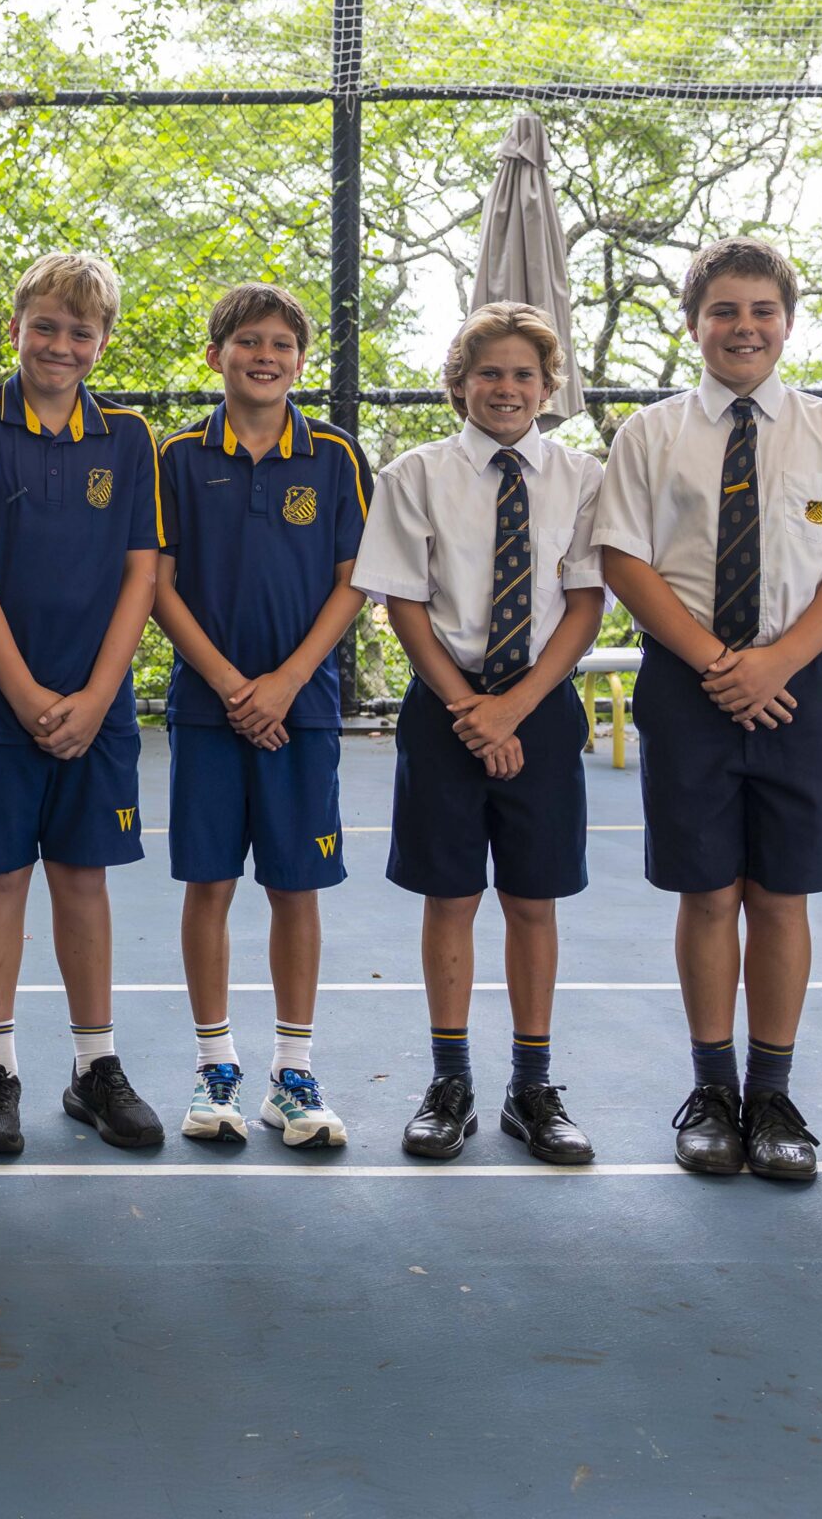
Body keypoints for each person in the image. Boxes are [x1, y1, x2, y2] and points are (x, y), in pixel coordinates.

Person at [593, 238, 822, 1182]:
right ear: (694, 323)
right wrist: (715, 662)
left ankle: (771, 1096)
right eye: (724, 311)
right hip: (687, 682)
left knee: (780, 895)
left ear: (788, 321)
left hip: (800, 684)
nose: (744, 328)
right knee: (707, 892)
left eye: (762, 310)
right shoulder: (650, 434)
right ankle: (711, 1093)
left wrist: (777, 662)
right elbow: (624, 561)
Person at [0, 251, 166, 1157]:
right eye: (46, 326)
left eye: (80, 331)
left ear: (102, 342)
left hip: (97, 708)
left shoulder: (130, 439)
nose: (61, 344)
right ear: (16, 327)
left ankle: (94, 1066)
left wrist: (98, 694)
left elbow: (142, 573)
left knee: (82, 877)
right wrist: (27, 695)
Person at [354, 304, 605, 1166]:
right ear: (459, 384)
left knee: (533, 900)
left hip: (541, 706)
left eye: (524, 374)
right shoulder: (415, 474)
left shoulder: (582, 476)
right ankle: (450, 1082)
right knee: (451, 896)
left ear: (548, 386)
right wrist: (472, 708)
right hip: (446, 707)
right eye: (489, 372)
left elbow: (585, 604)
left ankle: (532, 1086)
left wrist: (516, 708)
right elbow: (402, 603)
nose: (506, 388)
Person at [153, 283, 370, 1151]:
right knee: (209, 885)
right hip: (208, 712)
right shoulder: (176, 456)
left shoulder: (336, 455)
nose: (265, 356)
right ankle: (215, 1069)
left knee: (294, 886)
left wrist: (284, 682)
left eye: (282, 344)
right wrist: (235, 688)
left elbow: (354, 582)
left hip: (302, 710)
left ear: (301, 361)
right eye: (248, 341)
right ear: (217, 355)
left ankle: (293, 1074)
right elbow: (158, 585)